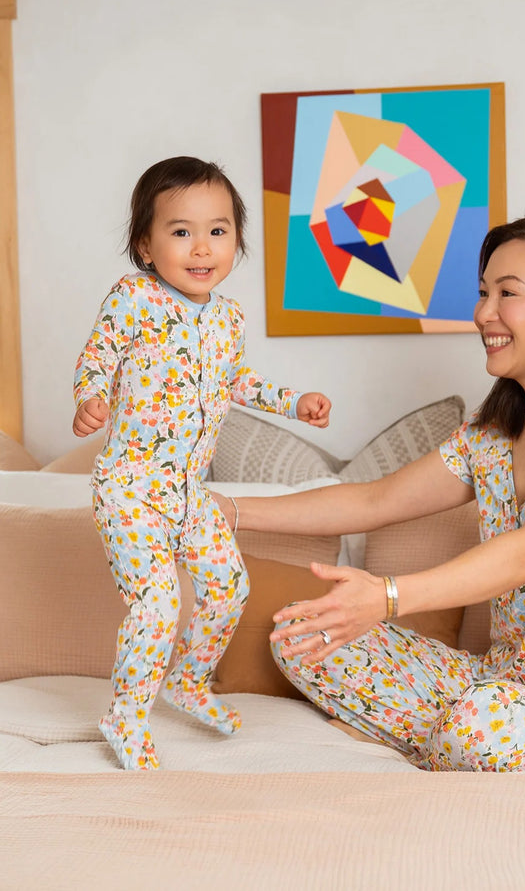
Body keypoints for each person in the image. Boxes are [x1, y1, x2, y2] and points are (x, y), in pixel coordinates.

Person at [212, 213, 525, 774]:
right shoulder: (492, 432)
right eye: (483, 293)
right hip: (497, 683)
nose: (483, 314)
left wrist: (386, 596)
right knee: (302, 633)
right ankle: (448, 737)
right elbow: (373, 501)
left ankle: (432, 739)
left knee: (481, 723)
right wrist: (224, 509)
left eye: (507, 293)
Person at [73, 156, 331, 770]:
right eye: (180, 230)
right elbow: (97, 357)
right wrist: (89, 397)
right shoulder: (132, 297)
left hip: (191, 493)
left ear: (237, 241)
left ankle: (188, 683)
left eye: (218, 230)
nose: (201, 247)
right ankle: (127, 714)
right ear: (145, 243)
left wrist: (294, 402)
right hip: (131, 487)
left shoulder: (228, 317)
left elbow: (237, 381)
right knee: (158, 603)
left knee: (228, 588)